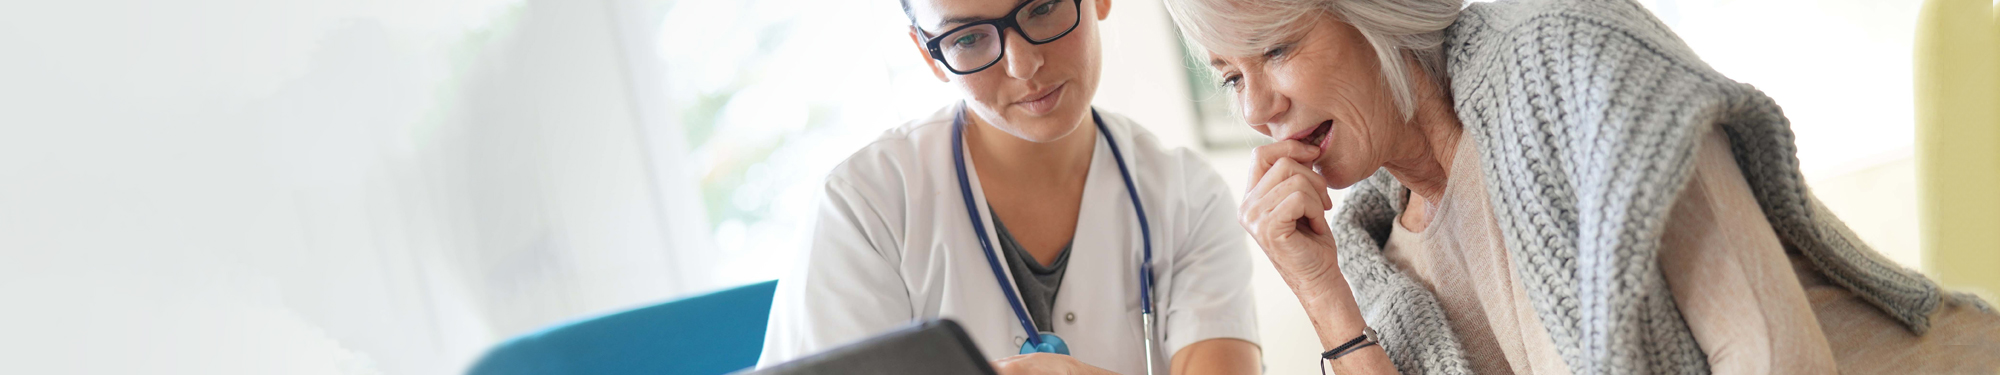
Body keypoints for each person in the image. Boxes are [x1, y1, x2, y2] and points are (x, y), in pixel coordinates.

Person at [1160, 0, 2000, 373]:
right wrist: (1325, 298)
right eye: (1230, 76)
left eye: (1275, 48)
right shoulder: (1380, 258)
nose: (1260, 107)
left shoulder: (1565, 58)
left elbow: (1775, 359)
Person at [756, 0, 1263, 373]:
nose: (1023, 66)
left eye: (1042, 8)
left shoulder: (1189, 197)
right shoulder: (865, 207)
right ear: (930, 56)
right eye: (968, 38)